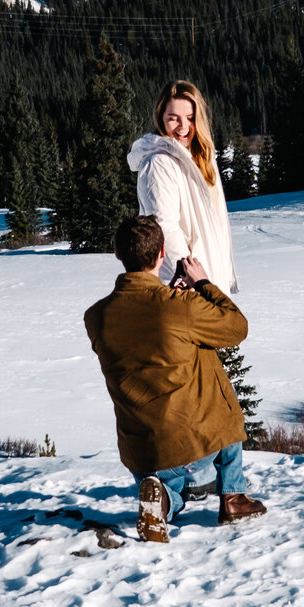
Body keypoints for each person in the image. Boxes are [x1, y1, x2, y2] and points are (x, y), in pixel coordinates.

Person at [84, 214, 266, 543]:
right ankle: (234, 497)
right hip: (197, 445)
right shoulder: (180, 307)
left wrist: (170, 297)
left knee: (170, 483)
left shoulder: (96, 316)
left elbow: (147, 336)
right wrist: (203, 284)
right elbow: (237, 327)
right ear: (162, 253)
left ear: (117, 255)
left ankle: (164, 503)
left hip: (143, 453)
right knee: (205, 362)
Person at [127, 80, 239, 295]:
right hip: (187, 287)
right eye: (173, 119)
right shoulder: (159, 163)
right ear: (161, 117)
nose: (183, 127)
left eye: (190, 118)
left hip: (208, 279)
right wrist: (191, 281)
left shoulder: (201, 159)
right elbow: (163, 226)